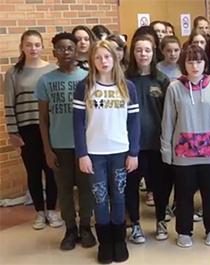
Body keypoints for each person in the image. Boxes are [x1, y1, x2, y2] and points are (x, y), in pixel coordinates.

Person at [73, 40, 140, 264]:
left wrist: (134, 152)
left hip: (120, 152)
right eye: (98, 57)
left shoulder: (127, 86)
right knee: (100, 198)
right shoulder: (85, 87)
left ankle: (119, 242)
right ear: (92, 60)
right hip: (94, 154)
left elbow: (134, 122)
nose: (103, 61)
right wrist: (82, 154)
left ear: (115, 58)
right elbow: (78, 123)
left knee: (119, 197)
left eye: (107, 56)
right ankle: (106, 244)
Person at [160, 45, 210, 248]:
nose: (195, 66)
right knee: (183, 195)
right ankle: (184, 230)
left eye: (199, 61)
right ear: (184, 64)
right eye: (190, 61)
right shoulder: (174, 88)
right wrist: (166, 149)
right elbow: (168, 121)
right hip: (183, 154)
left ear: (205, 63)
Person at [35, 32, 93, 250]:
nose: (66, 52)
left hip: (84, 146)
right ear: (54, 53)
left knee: (86, 189)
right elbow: (42, 118)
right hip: (59, 146)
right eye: (61, 48)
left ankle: (86, 227)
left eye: (70, 48)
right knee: (65, 190)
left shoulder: (87, 78)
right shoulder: (46, 80)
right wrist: (48, 150)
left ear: (77, 50)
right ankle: (70, 229)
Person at [3, 30, 61, 230]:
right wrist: (13, 133)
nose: (33, 48)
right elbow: (9, 105)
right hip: (26, 130)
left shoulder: (53, 69)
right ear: (22, 47)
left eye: (37, 44)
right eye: (29, 44)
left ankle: (52, 211)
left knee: (52, 170)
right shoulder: (13, 73)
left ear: (42, 46)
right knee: (33, 172)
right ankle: (39, 212)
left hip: (51, 128)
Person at [124, 35, 171, 243]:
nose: (143, 54)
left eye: (147, 50)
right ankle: (135, 224)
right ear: (133, 53)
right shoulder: (123, 79)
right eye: (139, 50)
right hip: (131, 145)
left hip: (156, 143)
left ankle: (161, 220)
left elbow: (169, 114)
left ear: (153, 53)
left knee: (159, 185)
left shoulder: (161, 79)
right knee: (131, 186)